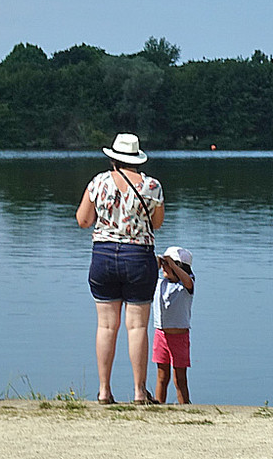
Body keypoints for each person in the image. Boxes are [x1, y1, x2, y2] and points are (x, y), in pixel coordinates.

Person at [76, 133, 163, 405]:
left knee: (106, 325)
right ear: (137, 159)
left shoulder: (98, 182)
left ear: (113, 158)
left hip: (103, 256)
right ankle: (139, 392)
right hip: (138, 257)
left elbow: (83, 220)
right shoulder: (152, 185)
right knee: (137, 327)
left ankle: (104, 391)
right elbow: (157, 224)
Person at [152, 245, 195, 404]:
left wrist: (173, 265)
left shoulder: (185, 286)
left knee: (180, 378)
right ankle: (159, 404)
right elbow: (147, 275)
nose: (165, 268)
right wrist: (158, 263)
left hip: (180, 337)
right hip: (161, 335)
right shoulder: (159, 283)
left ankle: (185, 405)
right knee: (162, 376)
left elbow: (188, 281)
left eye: (168, 266)